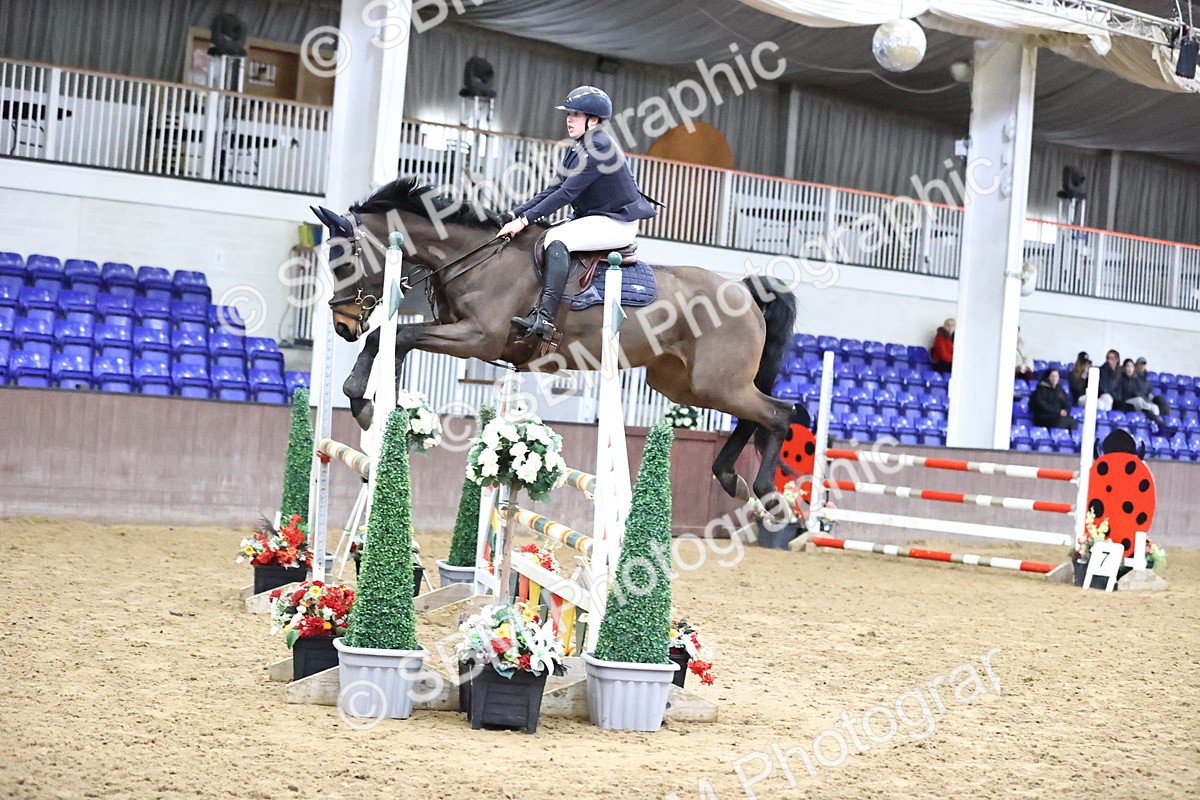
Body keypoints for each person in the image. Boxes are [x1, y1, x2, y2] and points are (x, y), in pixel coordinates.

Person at [497, 85, 658, 340]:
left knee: (555, 240)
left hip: (617, 223)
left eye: (575, 114)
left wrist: (524, 221)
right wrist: (513, 215)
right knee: (544, 234)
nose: (569, 119)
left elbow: (565, 195)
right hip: (596, 216)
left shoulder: (599, 147)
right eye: (568, 114)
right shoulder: (578, 146)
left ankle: (545, 318)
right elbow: (553, 188)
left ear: (593, 119)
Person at [1116, 358, 1168, 431]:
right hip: (1126, 401)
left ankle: (1157, 425)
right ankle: (1158, 421)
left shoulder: (1137, 379)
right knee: (1139, 401)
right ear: (1124, 368)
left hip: (1139, 401)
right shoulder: (1121, 378)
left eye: (1131, 367)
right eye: (1128, 366)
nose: (1129, 369)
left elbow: (1142, 391)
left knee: (1154, 407)